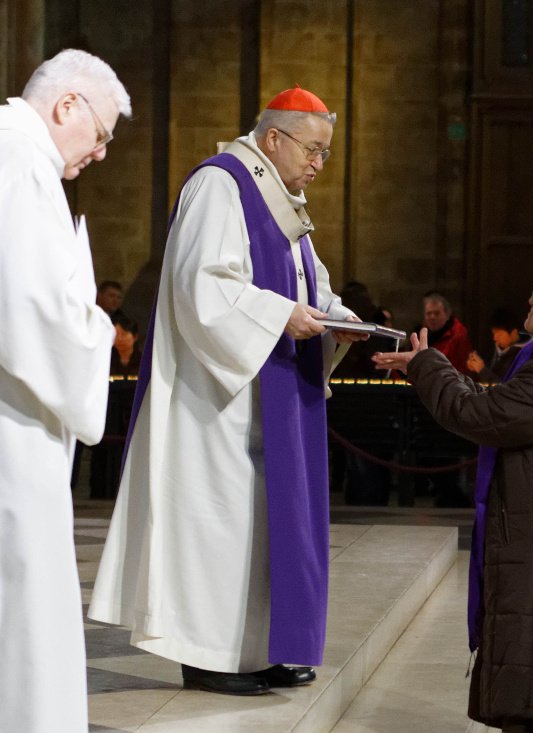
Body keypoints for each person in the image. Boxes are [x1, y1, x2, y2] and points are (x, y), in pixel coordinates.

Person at [89, 86, 366, 696]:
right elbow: (200, 286)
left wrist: (343, 320)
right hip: (217, 401)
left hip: (269, 394)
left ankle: (259, 649)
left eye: (325, 153)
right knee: (219, 526)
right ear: (274, 138)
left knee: (261, 529)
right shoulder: (221, 185)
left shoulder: (279, 199)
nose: (319, 165)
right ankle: (210, 656)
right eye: (313, 150)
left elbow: (307, 285)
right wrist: (278, 316)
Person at [373, 264, 533, 733]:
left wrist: (428, 365)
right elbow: (496, 410)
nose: (529, 299)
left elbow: (477, 414)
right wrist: (428, 371)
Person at [0, 48, 129, 733]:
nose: (101, 153)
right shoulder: (21, 162)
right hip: (11, 423)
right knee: (23, 596)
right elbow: (29, 307)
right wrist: (96, 330)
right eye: (102, 134)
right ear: (66, 105)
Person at [466, 307, 530, 382]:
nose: (494, 338)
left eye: (499, 334)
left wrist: (482, 370)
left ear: (514, 333)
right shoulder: (492, 348)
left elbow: (507, 389)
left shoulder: (526, 355)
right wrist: (474, 368)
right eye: (493, 333)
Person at [422, 291, 475, 375]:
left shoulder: (459, 335)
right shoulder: (423, 333)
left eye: (437, 313)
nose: (432, 317)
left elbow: (464, 369)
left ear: (447, 315)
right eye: (428, 314)